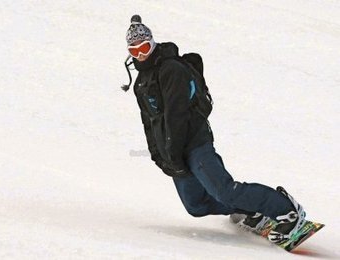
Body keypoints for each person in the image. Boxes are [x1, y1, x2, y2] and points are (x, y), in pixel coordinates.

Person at [123, 15, 306, 244]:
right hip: (174, 152)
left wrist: (173, 154)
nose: (141, 55)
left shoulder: (171, 70)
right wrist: (159, 156)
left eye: (145, 47)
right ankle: (252, 211)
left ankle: (285, 210)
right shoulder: (141, 83)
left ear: (153, 43)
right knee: (196, 205)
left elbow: (176, 116)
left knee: (224, 191)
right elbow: (148, 122)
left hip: (194, 143)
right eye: (135, 51)